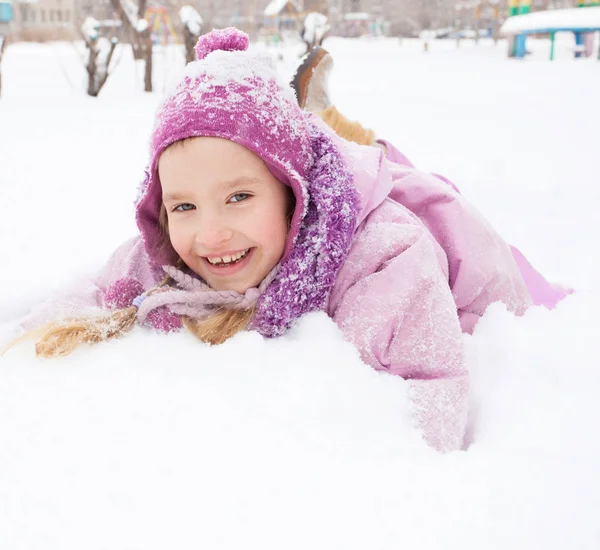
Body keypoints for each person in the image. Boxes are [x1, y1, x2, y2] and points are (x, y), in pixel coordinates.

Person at [8, 28, 569, 453]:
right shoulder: (169, 243)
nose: (208, 233)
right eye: (184, 205)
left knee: (398, 175)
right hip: (308, 169)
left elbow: (431, 400)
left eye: (238, 198)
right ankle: (316, 123)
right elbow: (87, 295)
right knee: (345, 160)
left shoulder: (385, 260)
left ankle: (329, 126)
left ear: (293, 196)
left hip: (428, 237)